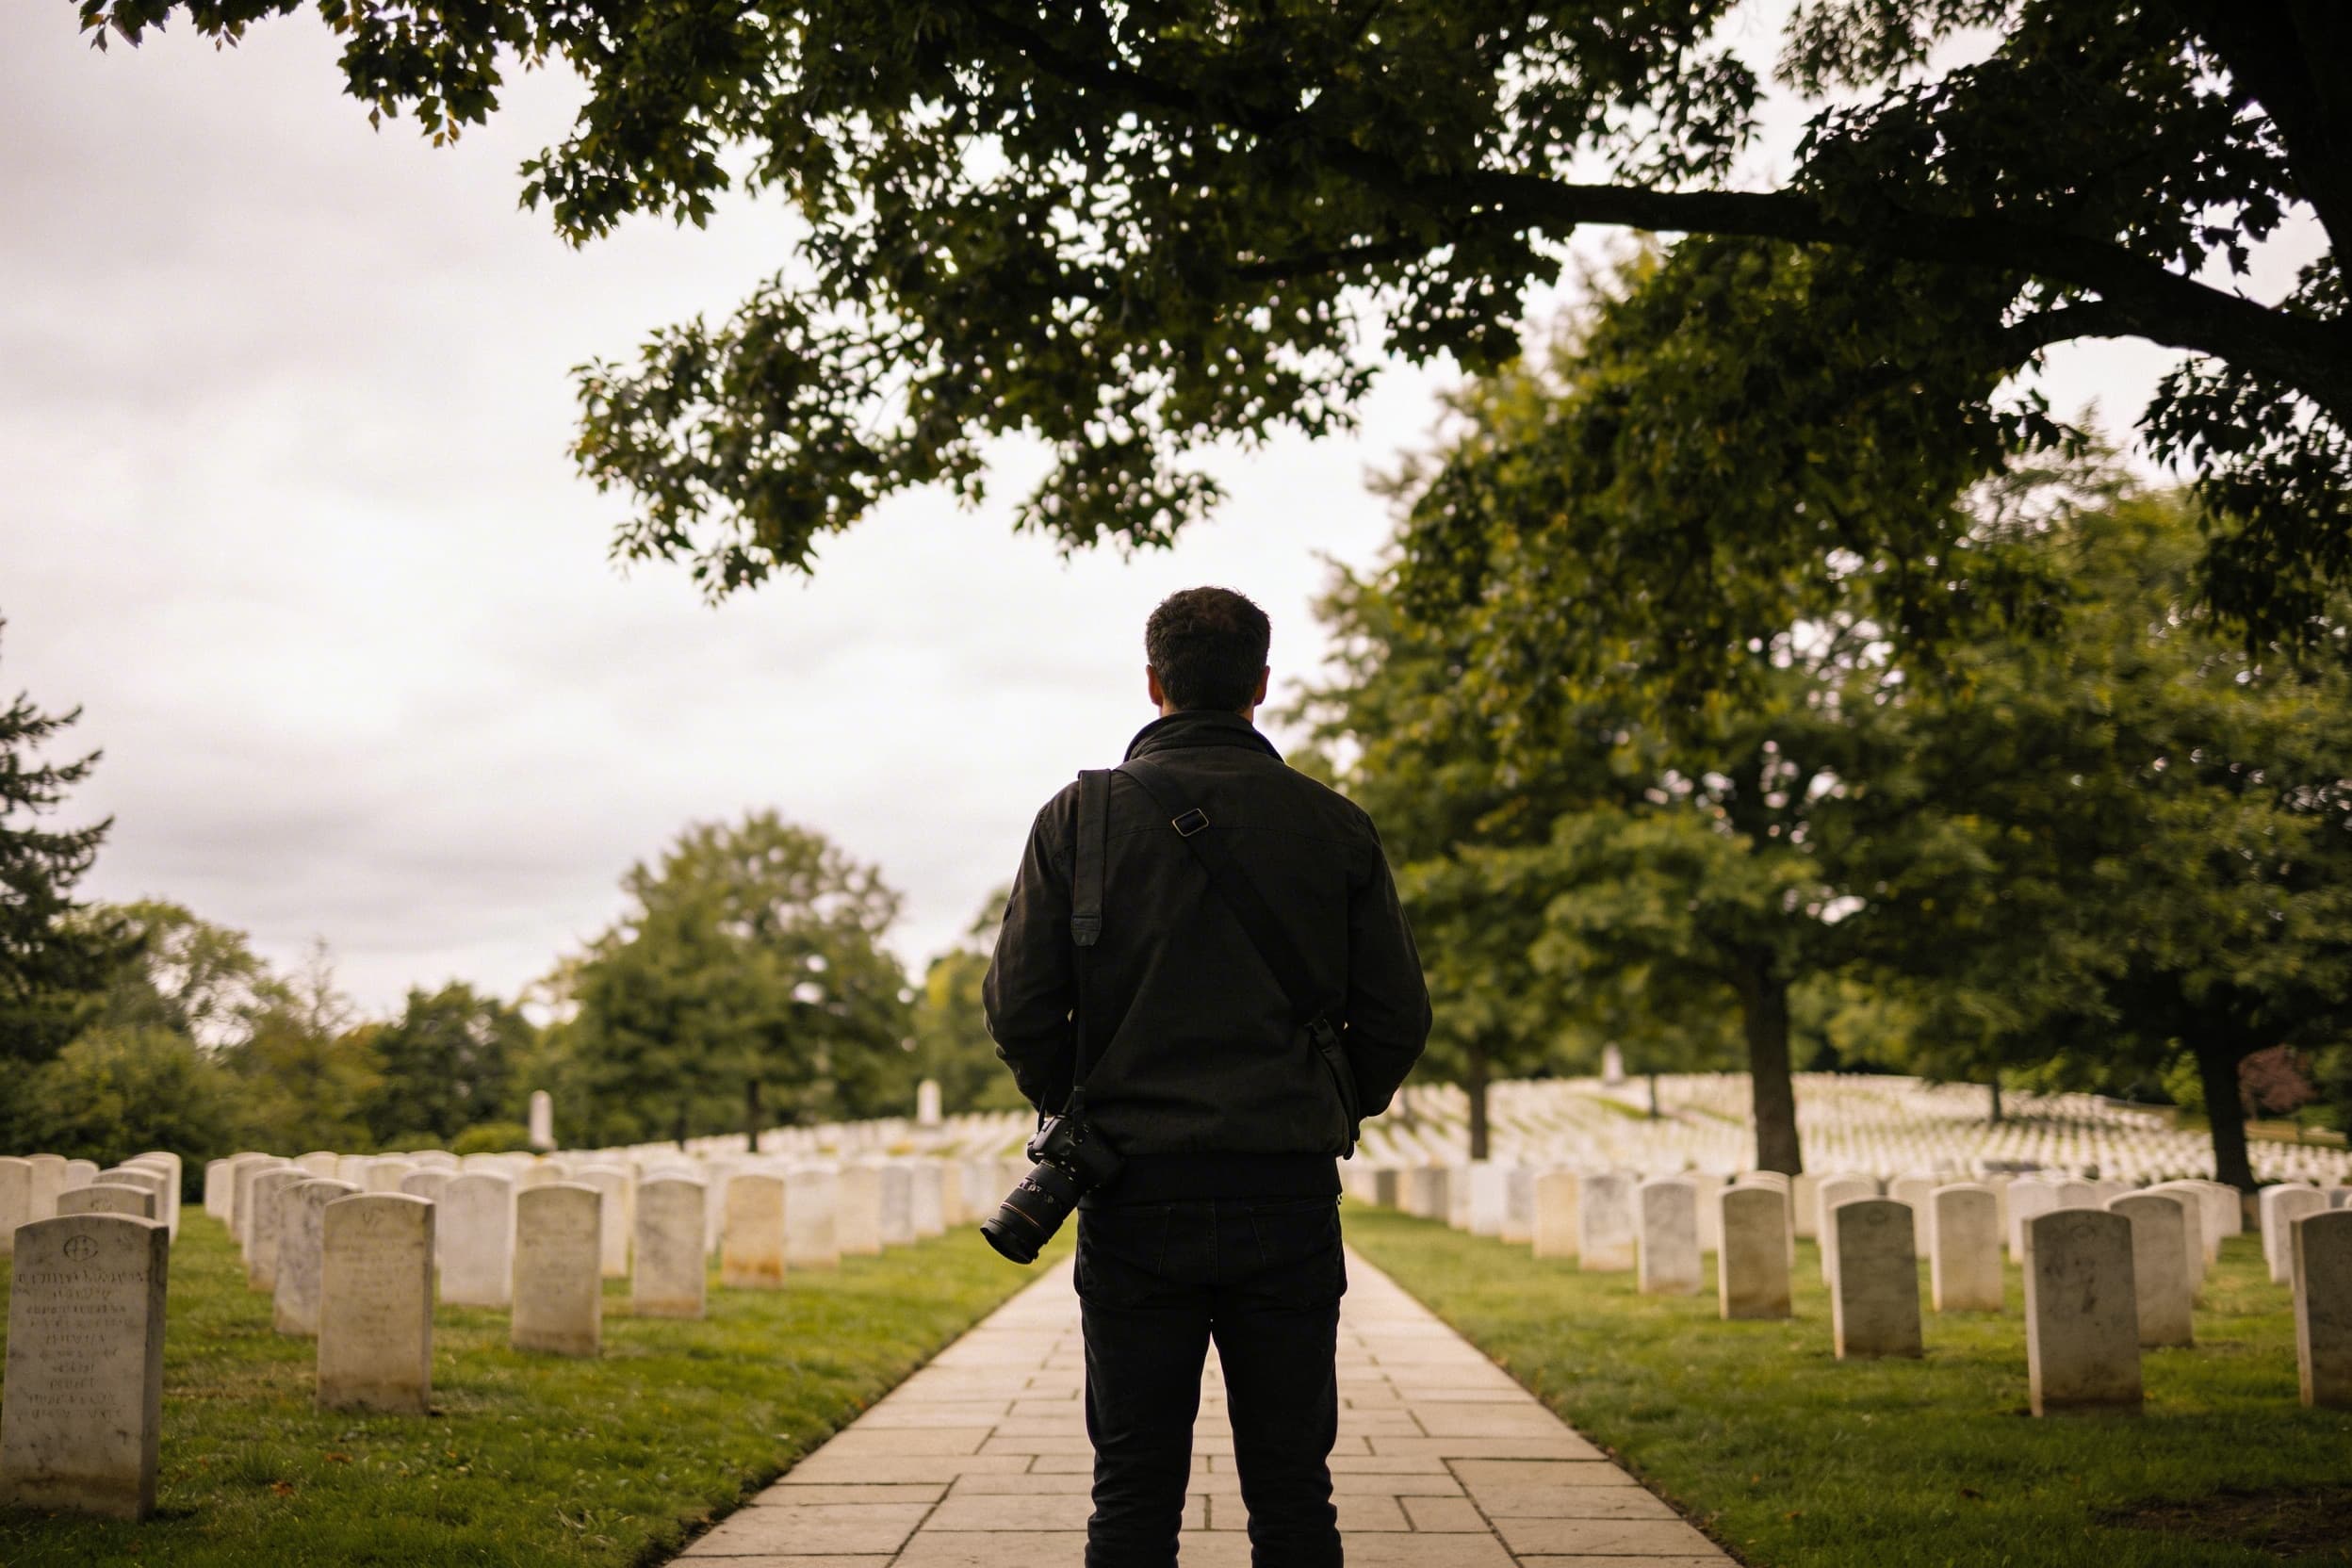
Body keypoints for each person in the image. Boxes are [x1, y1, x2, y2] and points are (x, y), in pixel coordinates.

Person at [984, 585, 1431, 1568]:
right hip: (1286, 1189)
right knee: (1291, 1490)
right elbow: (1399, 1015)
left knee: (1133, 1491)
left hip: (1134, 1190)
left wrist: (1086, 1106)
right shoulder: (1336, 824)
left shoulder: (1077, 818)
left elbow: (1018, 1005)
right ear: (1262, 684)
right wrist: (1321, 1097)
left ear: (1154, 682)